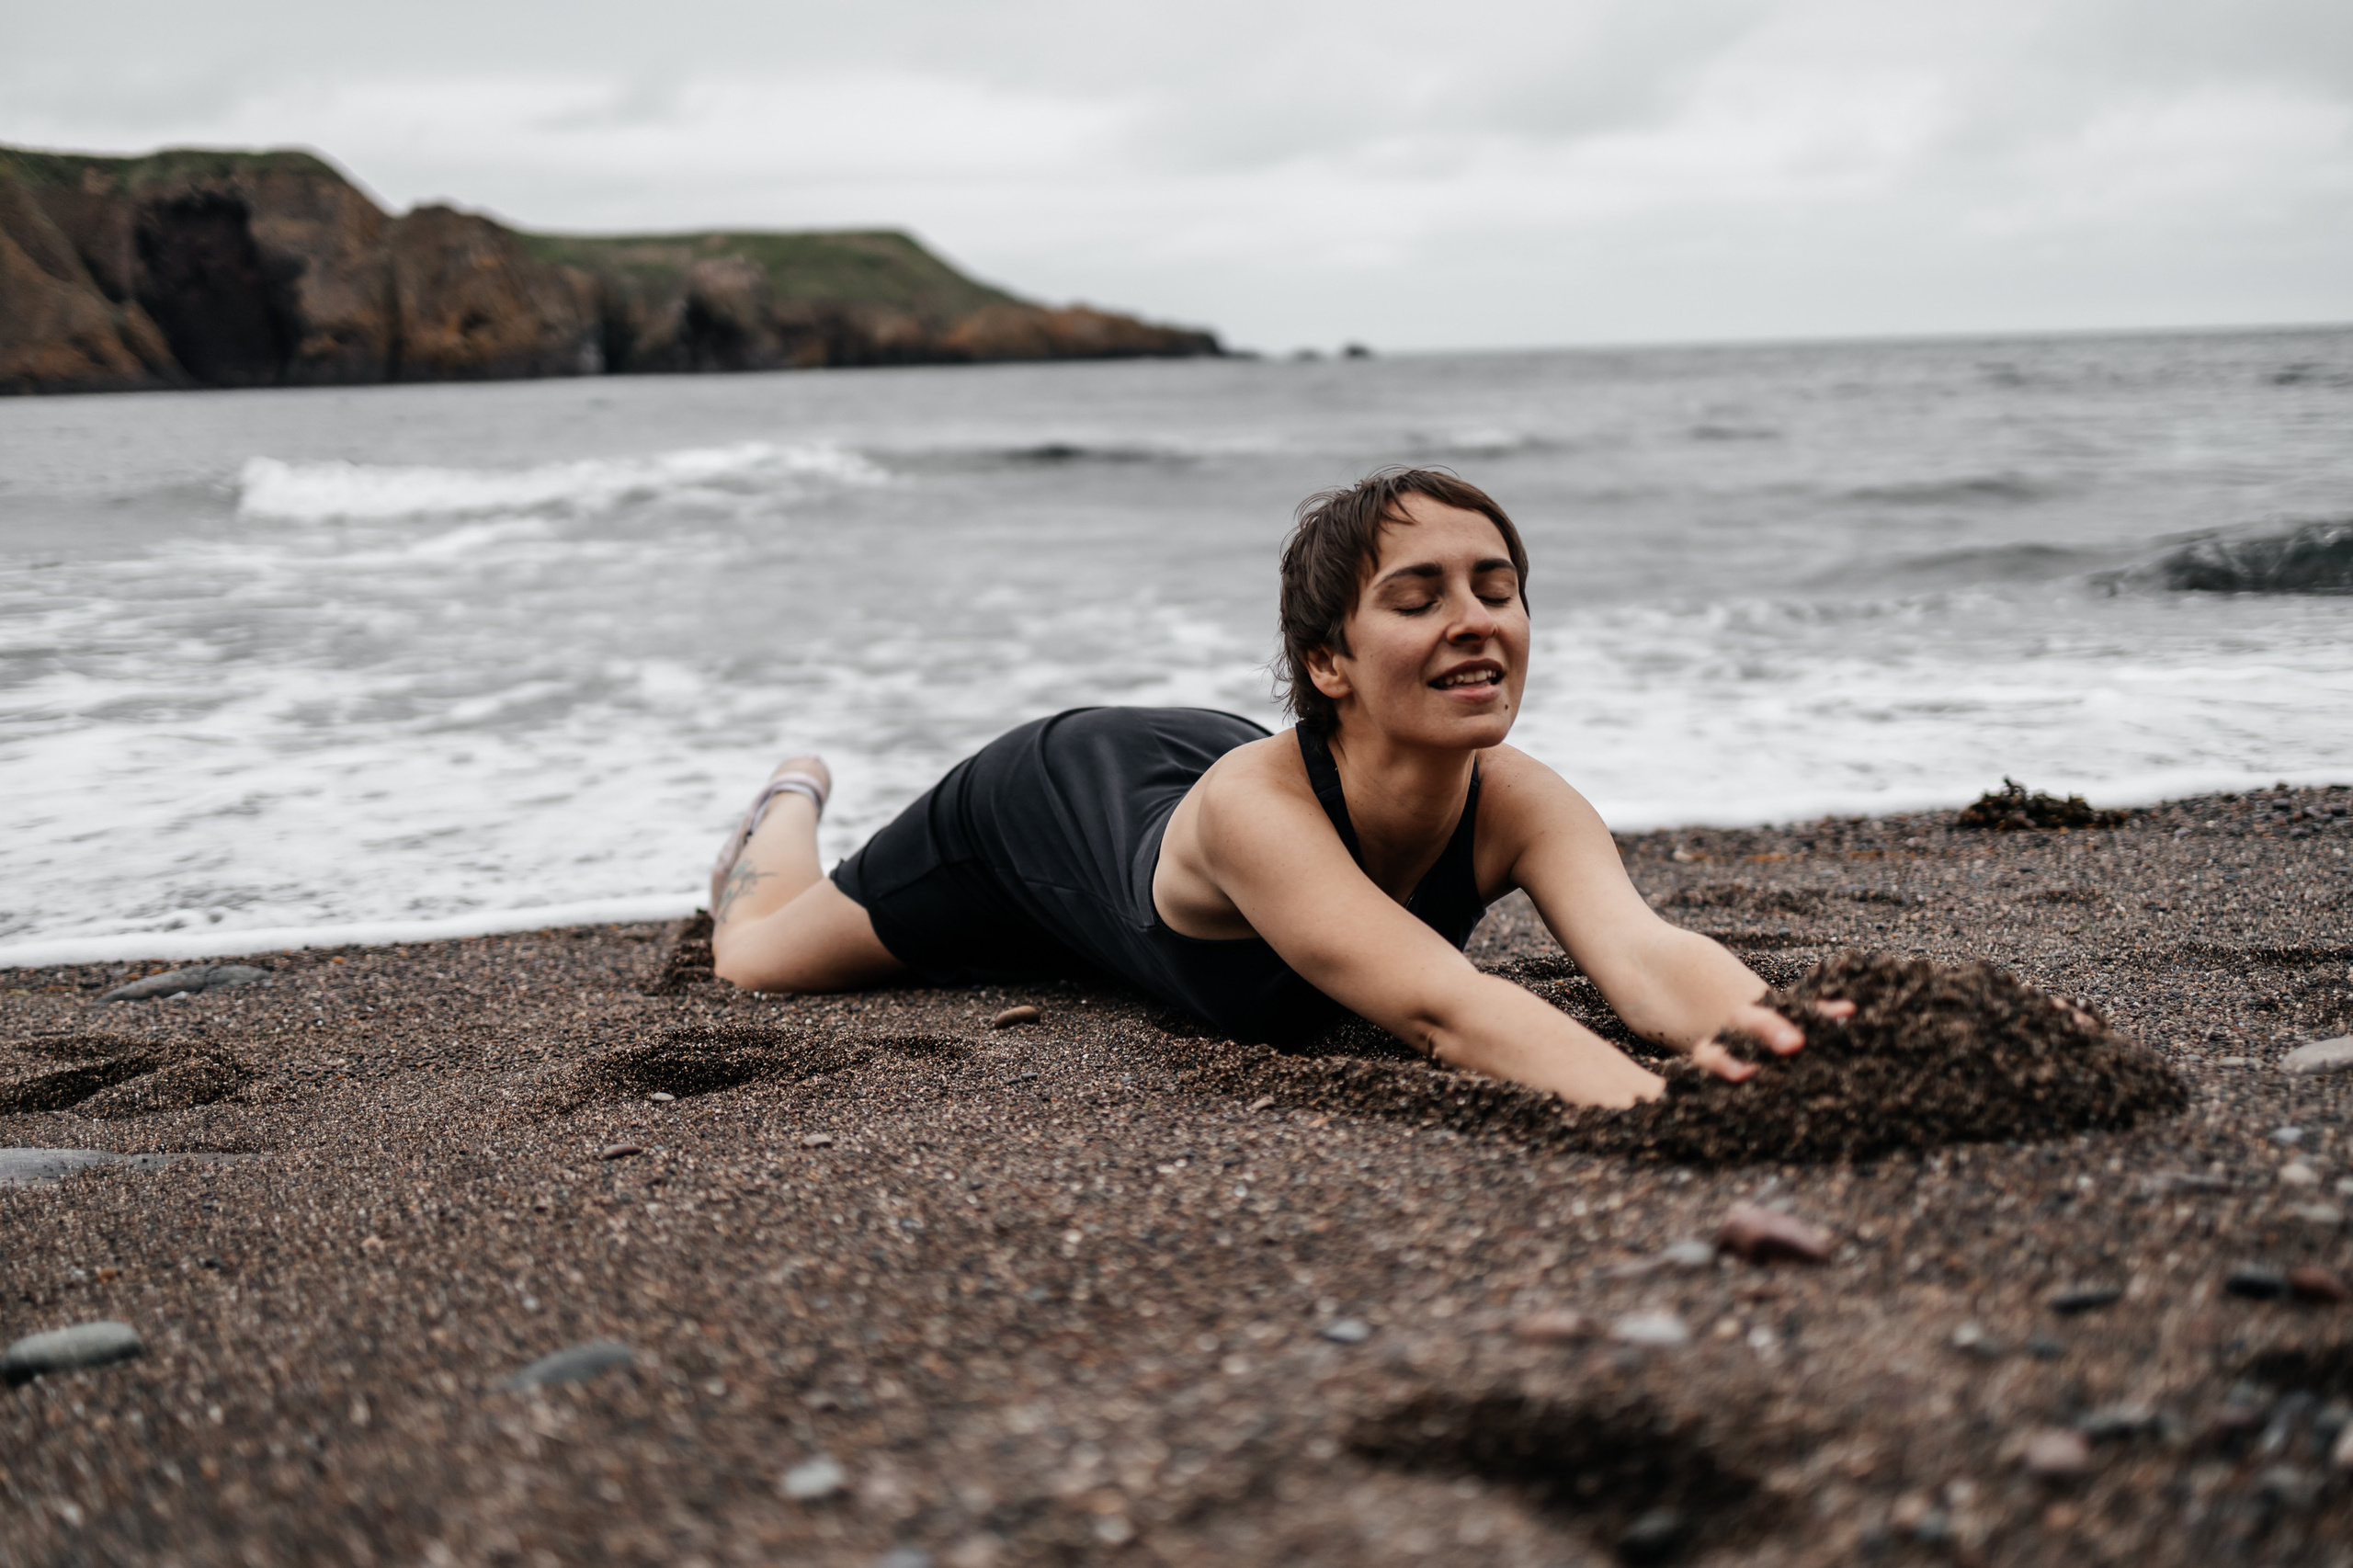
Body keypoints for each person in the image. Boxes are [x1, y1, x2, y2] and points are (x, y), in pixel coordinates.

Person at [705, 468, 1847, 1108]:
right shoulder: (1261, 813)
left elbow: (1644, 958)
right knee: (756, 958)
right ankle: (788, 800)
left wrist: (1791, 1042)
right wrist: (1665, 1113)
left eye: (1497, 588)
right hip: (1037, 805)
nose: (1475, 619)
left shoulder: (1518, 797)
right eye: (1418, 597)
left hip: (1193, 765)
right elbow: (1445, 1010)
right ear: (1328, 661)